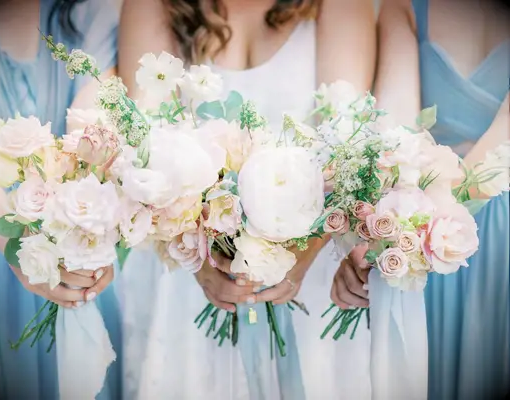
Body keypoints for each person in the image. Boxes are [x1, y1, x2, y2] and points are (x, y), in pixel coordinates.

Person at [118, 0, 376, 398]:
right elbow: (141, 150)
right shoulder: (156, 6)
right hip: (189, 275)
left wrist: (300, 255)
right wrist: (197, 257)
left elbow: (351, 148)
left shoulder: (336, 7)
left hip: (307, 272)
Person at [0, 0, 122, 398]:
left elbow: (96, 117)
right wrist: (14, 242)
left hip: (69, 232)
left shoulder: (94, 12)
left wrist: (96, 228)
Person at [375, 0, 509, 398]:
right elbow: (393, 126)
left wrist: (422, 223)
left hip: (442, 219)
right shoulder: (403, 8)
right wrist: (384, 209)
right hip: (424, 217)